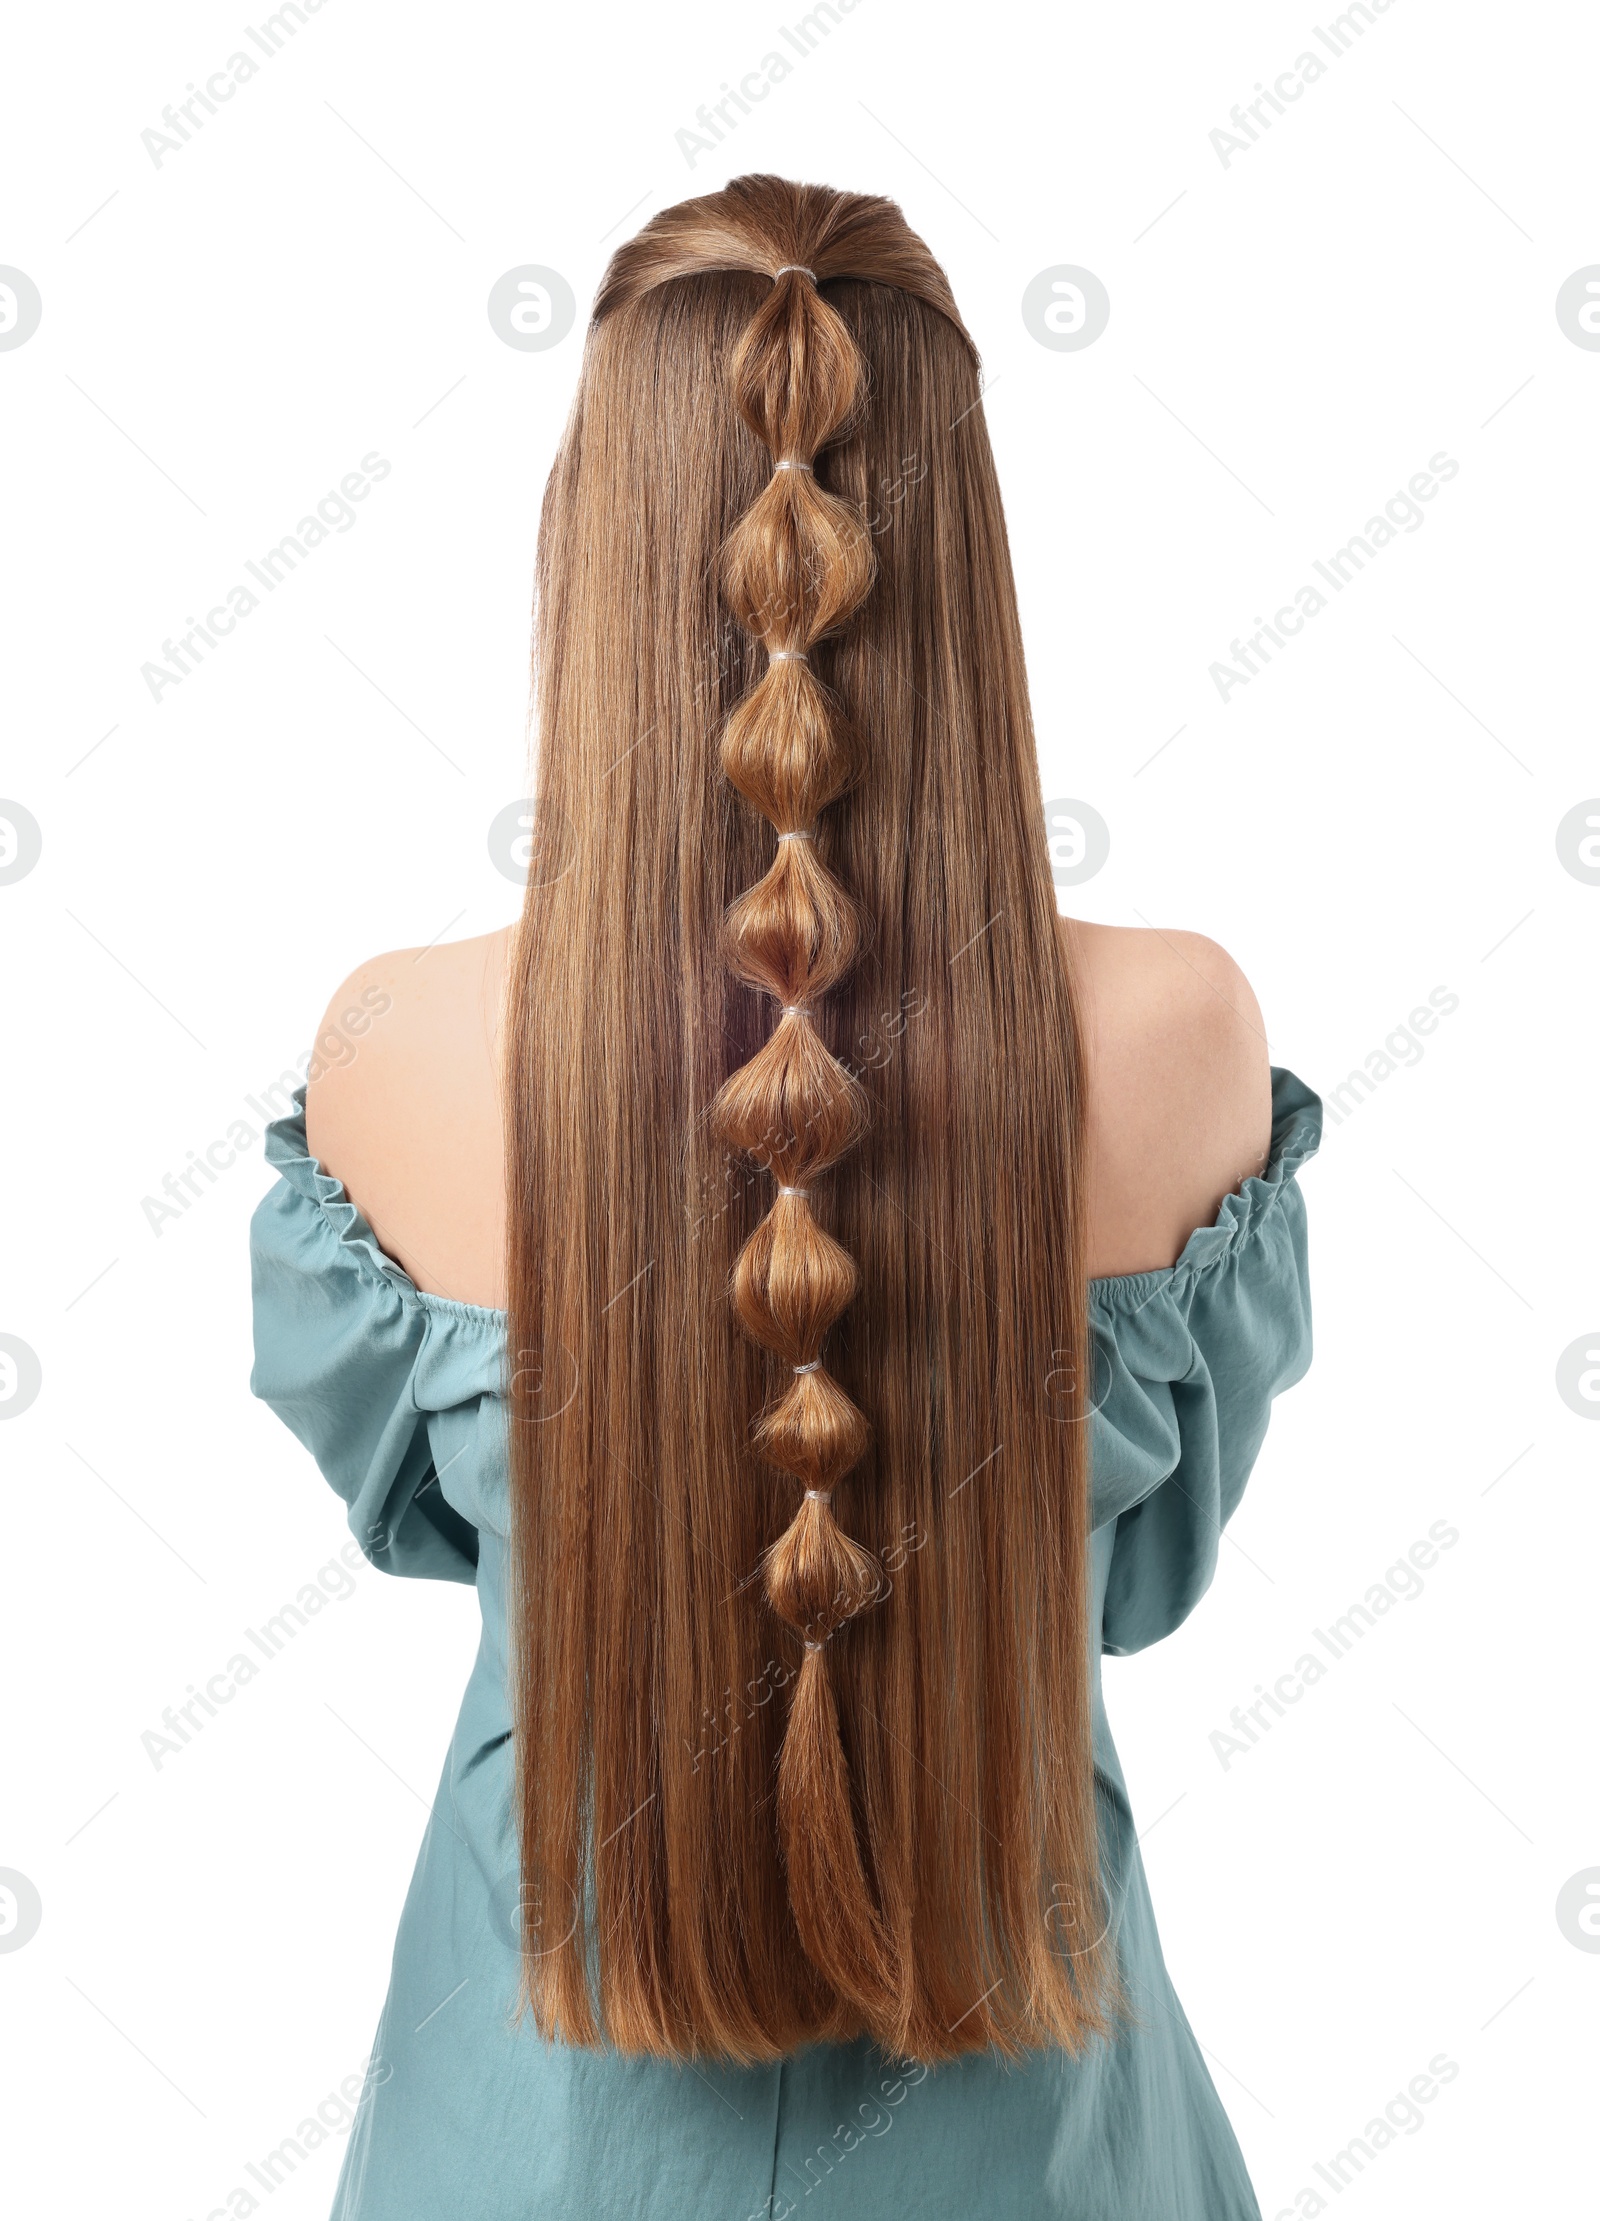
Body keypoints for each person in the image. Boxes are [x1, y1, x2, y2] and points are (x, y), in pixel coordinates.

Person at [250, 173, 1319, 2220]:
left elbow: (409, 1526)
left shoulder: (395, 1046)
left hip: (526, 2125)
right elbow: (1147, 1572)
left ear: (590, 531)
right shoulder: (1173, 1030)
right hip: (1037, 2131)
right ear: (963, 544)